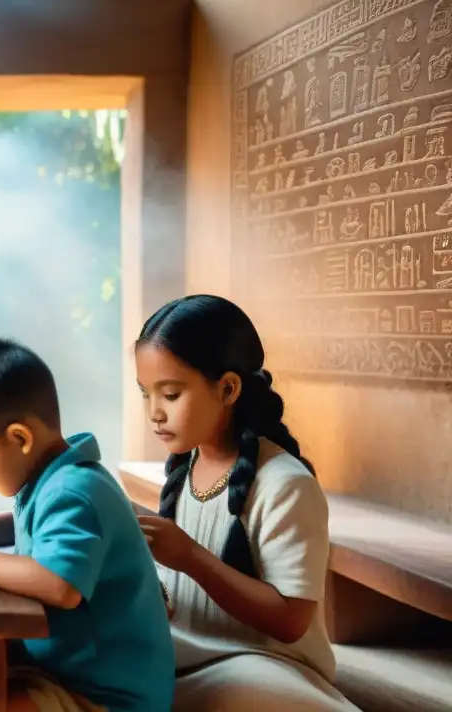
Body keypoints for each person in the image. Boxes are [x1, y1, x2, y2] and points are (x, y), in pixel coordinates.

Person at [0, 338, 175, 712]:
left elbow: (61, 584)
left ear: (19, 439)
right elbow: (29, 525)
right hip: (66, 669)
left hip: (106, 695)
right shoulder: (54, 480)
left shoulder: (75, 491)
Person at [133, 295, 358, 711]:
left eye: (170, 394)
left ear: (228, 389)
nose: (154, 413)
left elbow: (291, 621)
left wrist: (190, 557)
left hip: (265, 670)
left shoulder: (285, 485)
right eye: (146, 394)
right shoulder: (186, 468)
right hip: (190, 657)